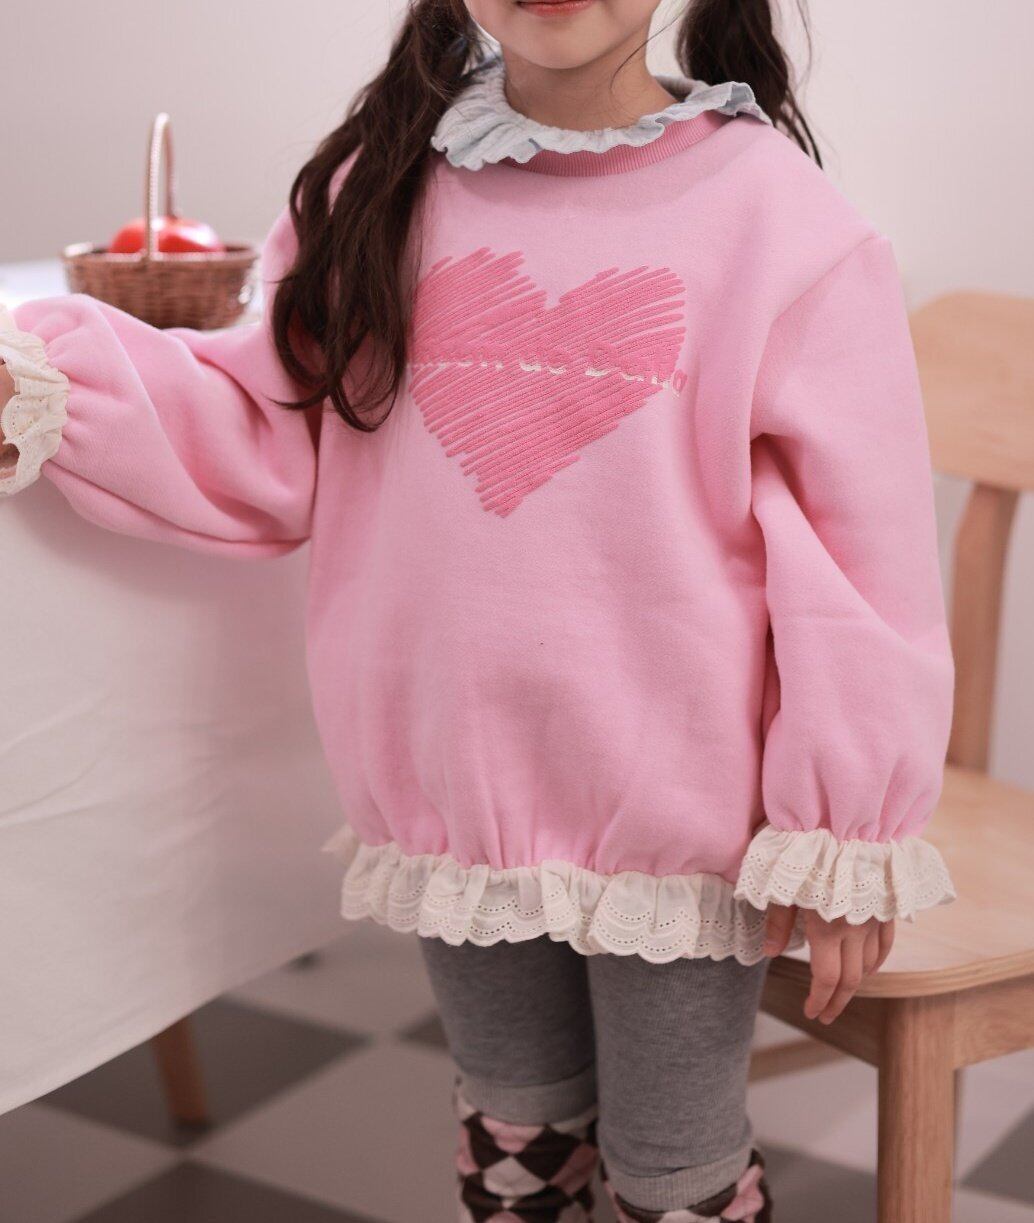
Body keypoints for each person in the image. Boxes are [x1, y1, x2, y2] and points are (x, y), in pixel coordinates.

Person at [0, 2, 957, 1218]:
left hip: (682, 818)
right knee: (512, 1129)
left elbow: (854, 556)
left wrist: (846, 822)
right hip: (452, 786)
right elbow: (270, 425)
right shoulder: (377, 187)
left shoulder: (782, 220)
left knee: (674, 1168)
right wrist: (49, 392)